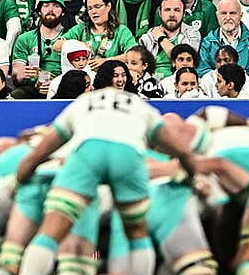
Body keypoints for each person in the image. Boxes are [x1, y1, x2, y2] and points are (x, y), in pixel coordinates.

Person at [15, 87, 196, 275]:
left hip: (87, 151)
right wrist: (191, 177)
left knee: (50, 231)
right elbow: (183, 151)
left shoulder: (82, 103)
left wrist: (19, 180)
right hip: (128, 154)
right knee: (137, 232)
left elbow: (38, 153)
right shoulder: (141, 106)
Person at [56, 0, 137, 70]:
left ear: (108, 6)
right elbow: (56, 46)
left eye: (97, 7)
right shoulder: (81, 28)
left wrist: (106, 61)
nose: (93, 11)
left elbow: (134, 55)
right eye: (90, 8)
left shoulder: (121, 30)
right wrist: (79, 45)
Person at [10, 0, 66, 99]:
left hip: (63, 86)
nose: (50, 9)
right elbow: (16, 75)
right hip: (33, 86)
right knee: (17, 94)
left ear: (63, 12)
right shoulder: (25, 38)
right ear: (39, 11)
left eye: (56, 6)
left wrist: (54, 83)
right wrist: (23, 74)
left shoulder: (70, 37)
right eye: (46, 5)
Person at [197, 0, 249, 80]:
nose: (228, 18)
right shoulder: (207, 42)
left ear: (240, 15)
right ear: (217, 15)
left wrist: (247, 82)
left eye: (232, 13)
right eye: (223, 13)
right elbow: (202, 70)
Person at [138, 0, 200, 79]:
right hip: (151, 82)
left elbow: (182, 59)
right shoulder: (149, 36)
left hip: (181, 80)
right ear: (160, 13)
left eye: (177, 10)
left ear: (184, 14)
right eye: (167, 10)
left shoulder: (192, 33)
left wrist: (161, 38)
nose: (172, 14)